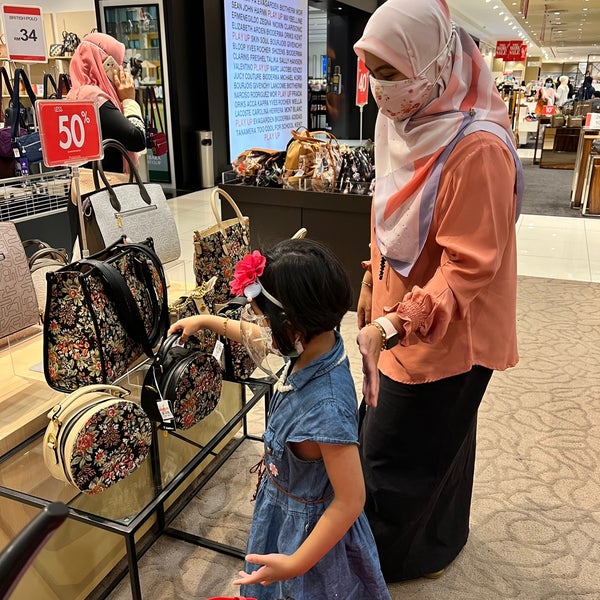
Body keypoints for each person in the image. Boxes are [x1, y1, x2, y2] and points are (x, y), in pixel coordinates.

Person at [353, 0, 523, 583]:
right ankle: (438, 539)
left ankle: (390, 562)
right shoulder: (400, 121)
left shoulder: (478, 148)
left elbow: (468, 268)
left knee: (395, 448)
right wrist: (371, 286)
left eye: (392, 72)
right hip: (399, 310)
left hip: (451, 324)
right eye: (373, 71)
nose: (381, 88)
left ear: (432, 62)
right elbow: (388, 219)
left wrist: (392, 324)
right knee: (433, 437)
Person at [168, 239, 392, 600]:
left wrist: (296, 563)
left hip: (310, 532)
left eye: (265, 320)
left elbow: (351, 500)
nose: (261, 330)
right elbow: (258, 336)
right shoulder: (316, 343)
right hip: (283, 504)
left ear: (293, 327)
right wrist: (207, 321)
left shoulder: (327, 408)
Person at [66, 32, 146, 255]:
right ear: (103, 63)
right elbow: (137, 139)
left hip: (89, 191)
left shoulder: (76, 93)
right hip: (105, 192)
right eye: (116, 63)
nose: (121, 69)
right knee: (111, 258)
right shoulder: (93, 97)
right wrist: (129, 100)